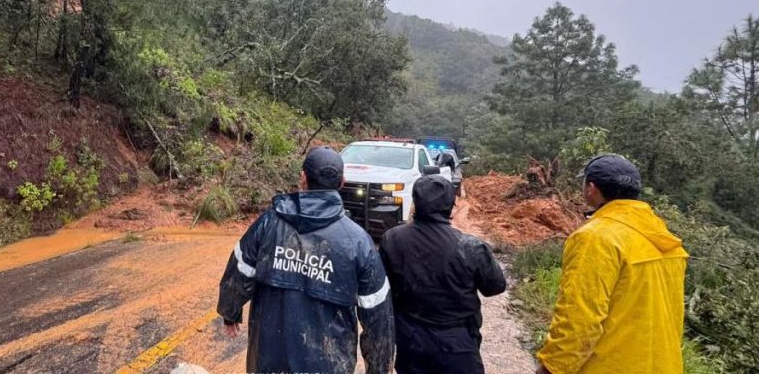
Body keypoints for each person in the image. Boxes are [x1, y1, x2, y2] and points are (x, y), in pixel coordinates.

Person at [217, 146, 394, 374]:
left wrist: (229, 311)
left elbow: (239, 269)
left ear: (303, 177)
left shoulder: (269, 223)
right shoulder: (358, 242)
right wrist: (378, 369)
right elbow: (378, 316)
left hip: (268, 359)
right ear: (342, 182)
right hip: (329, 365)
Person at [536, 154, 689, 374]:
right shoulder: (666, 239)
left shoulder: (595, 238)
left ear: (591, 188)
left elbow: (580, 319)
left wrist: (552, 367)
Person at [379, 175, 507, 374]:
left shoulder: (392, 238)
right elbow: (495, 287)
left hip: (409, 338)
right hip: (457, 343)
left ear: (415, 203)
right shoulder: (470, 246)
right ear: (451, 207)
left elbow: (383, 285)